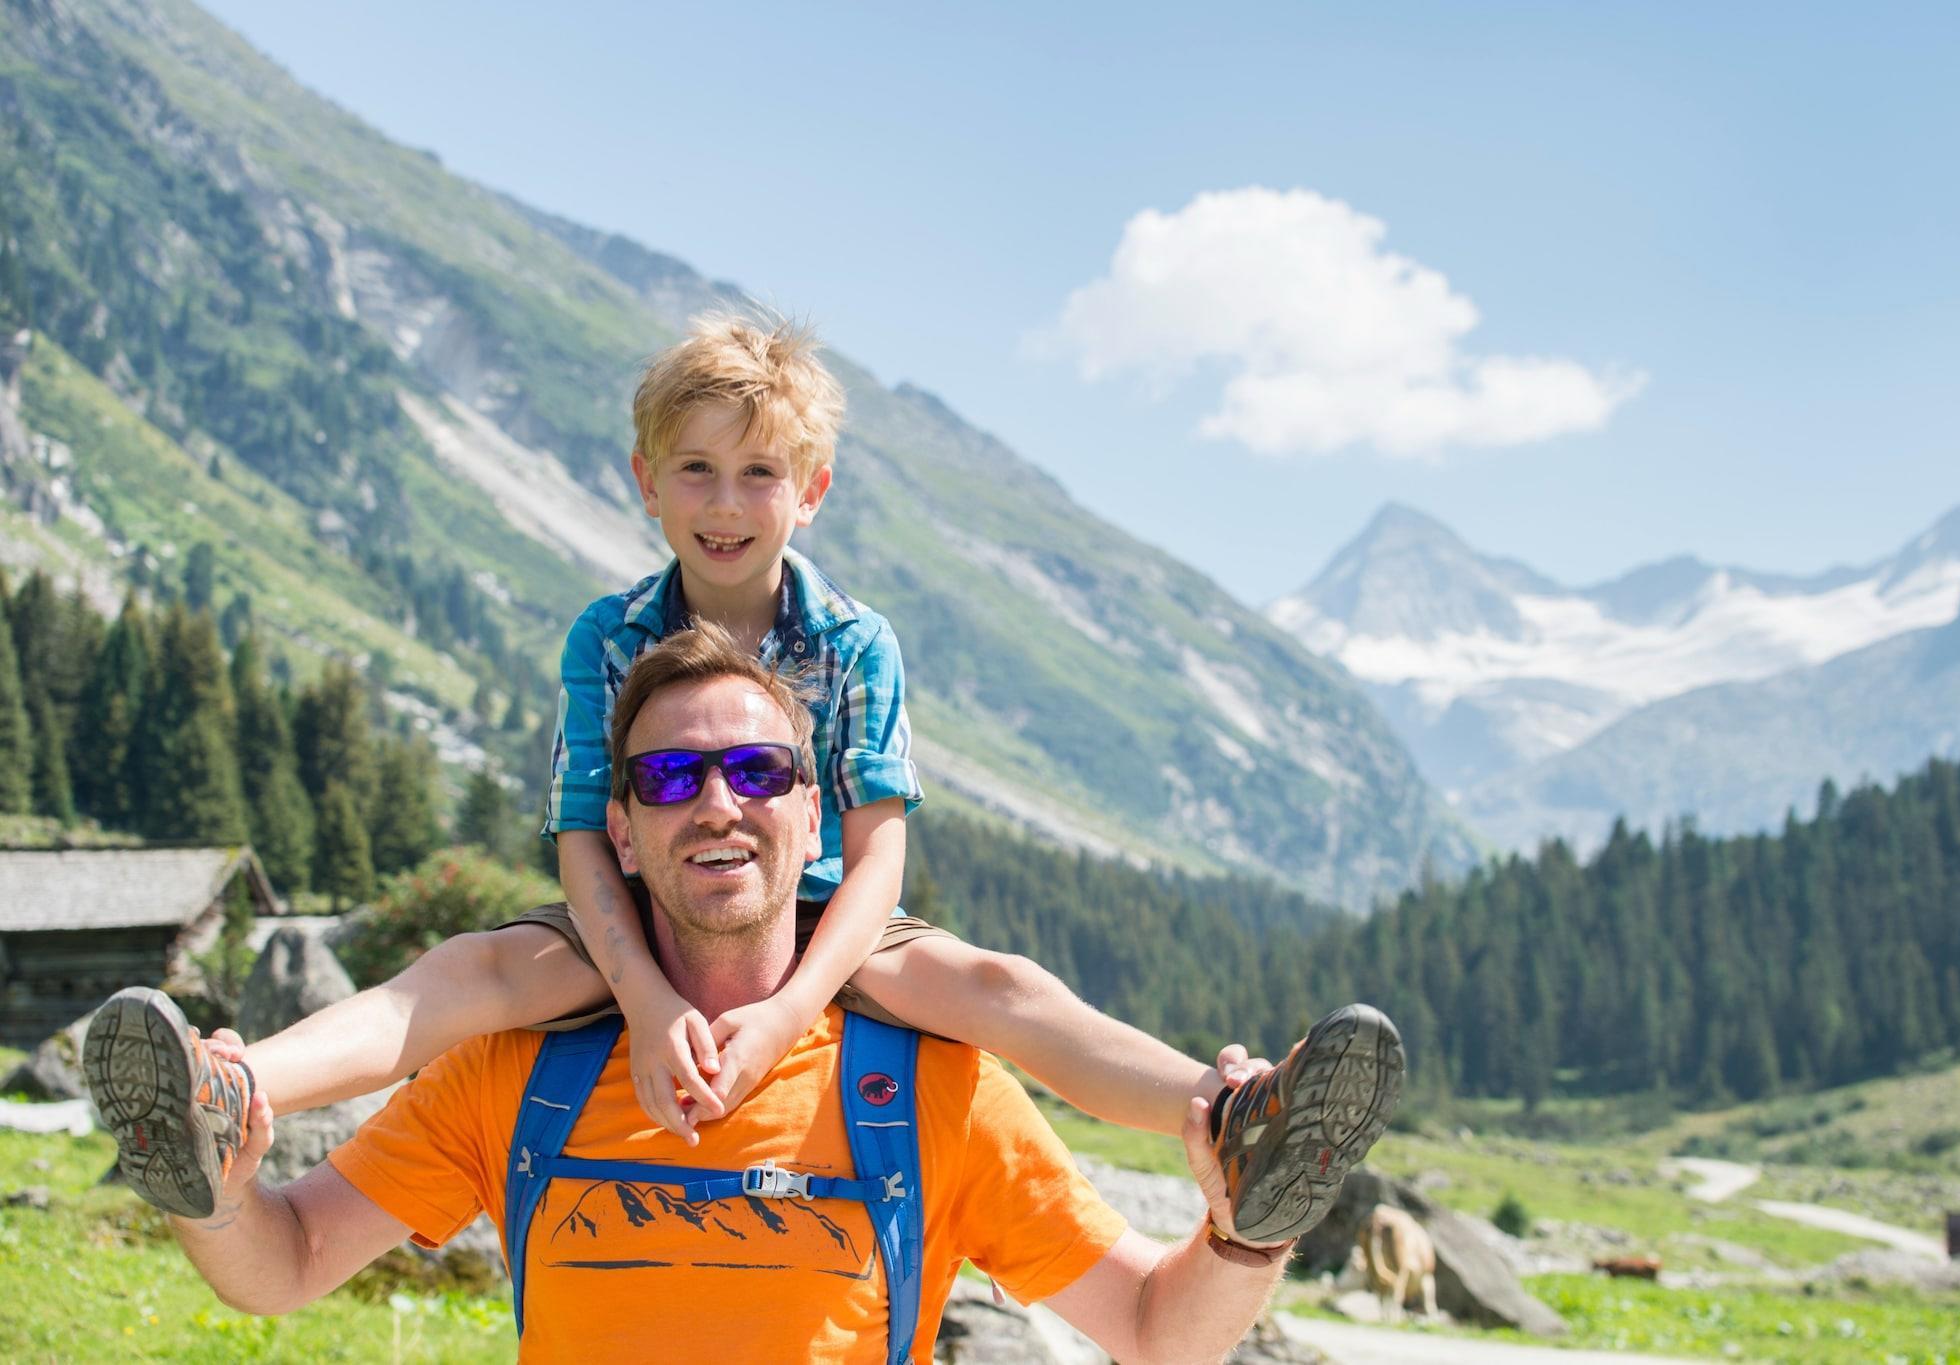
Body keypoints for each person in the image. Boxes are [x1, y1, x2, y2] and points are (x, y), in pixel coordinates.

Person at [85, 312, 1403, 1250]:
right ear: (646, 482)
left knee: (999, 991)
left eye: (759, 472)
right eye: (698, 470)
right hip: (639, 907)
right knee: (474, 974)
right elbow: (584, 838)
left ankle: (1235, 1117)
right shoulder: (606, 636)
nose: (727, 501)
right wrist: (648, 996)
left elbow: (876, 853)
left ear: (809, 490)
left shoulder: (856, 642)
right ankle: (225, 1092)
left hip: (820, 921)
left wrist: (785, 1014)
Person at [157, 627, 1343, 1361]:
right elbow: (287, 1263)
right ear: (621, 832)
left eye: (759, 770)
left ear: (812, 816)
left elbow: (1153, 1331)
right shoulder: (513, 1070)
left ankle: (1238, 1120)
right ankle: (212, 1098)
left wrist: (1243, 1236)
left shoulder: (926, 1089)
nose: (717, 803)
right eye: (670, 777)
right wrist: (213, 1198)